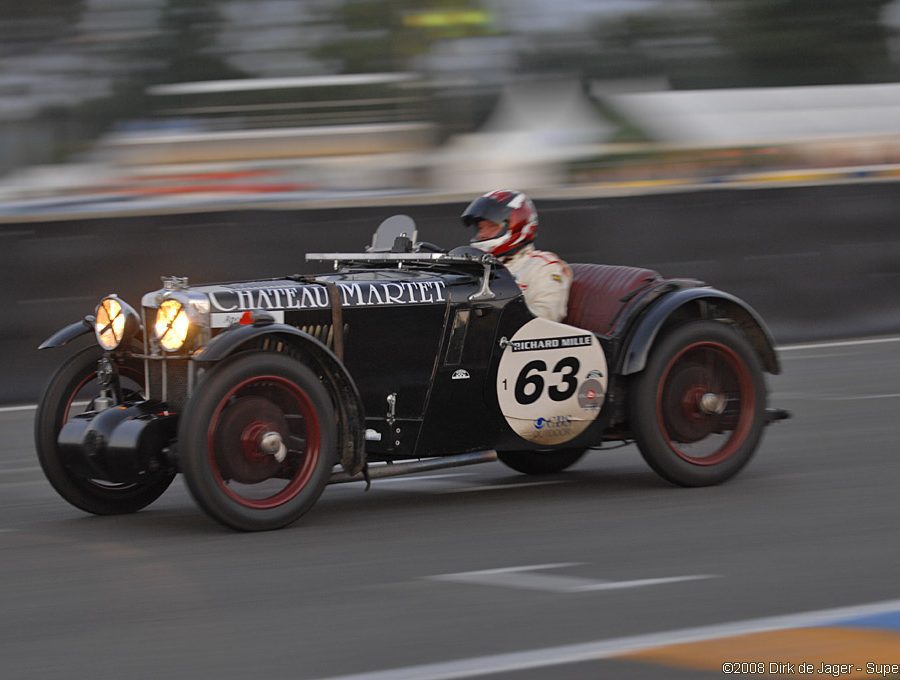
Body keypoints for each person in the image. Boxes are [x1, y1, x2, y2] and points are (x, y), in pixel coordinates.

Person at [461, 189, 572, 322]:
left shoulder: (544, 267)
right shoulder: (479, 267)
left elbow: (547, 317)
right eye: (480, 228)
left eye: (491, 226)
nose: (482, 234)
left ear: (516, 225)